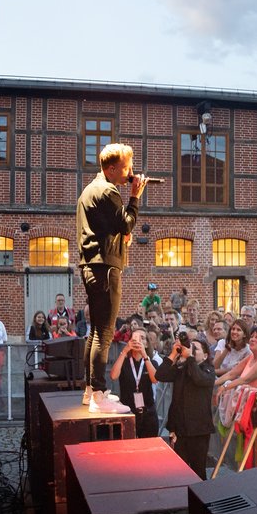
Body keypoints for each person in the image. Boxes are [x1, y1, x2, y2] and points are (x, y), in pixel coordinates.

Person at [78, 142, 146, 391]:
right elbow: (126, 224)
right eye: (126, 167)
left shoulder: (90, 190)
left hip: (92, 265)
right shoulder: (108, 192)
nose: (130, 173)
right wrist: (135, 197)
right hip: (105, 267)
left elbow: (112, 229)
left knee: (95, 331)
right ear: (111, 168)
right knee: (105, 333)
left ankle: (89, 390)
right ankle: (97, 391)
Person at [155, 333, 218, 474]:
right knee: (180, 471)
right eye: (190, 348)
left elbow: (198, 379)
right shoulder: (181, 369)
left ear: (206, 356)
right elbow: (160, 375)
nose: (192, 351)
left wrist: (189, 358)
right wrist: (173, 354)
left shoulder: (208, 371)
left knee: (198, 471)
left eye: (196, 349)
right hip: (180, 428)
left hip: (199, 430)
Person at [107, 329, 162, 438]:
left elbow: (155, 379)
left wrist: (145, 355)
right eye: (136, 338)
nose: (139, 341)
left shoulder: (151, 362)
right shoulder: (124, 362)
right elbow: (113, 376)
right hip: (128, 412)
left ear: (146, 343)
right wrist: (125, 351)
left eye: (142, 338)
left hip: (148, 412)